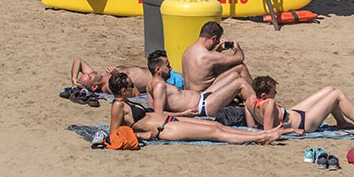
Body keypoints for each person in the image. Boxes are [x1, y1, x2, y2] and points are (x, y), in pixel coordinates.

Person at [104, 73, 278, 145]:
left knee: (216, 127)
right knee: (214, 133)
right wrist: (141, 135)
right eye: (130, 85)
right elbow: (114, 135)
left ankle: (260, 136)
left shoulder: (127, 102)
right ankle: (262, 136)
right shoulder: (118, 105)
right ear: (122, 90)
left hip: (170, 121)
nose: (133, 86)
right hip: (165, 129)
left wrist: (181, 114)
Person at [245, 75, 354, 135]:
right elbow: (268, 132)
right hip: (305, 123)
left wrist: (259, 122)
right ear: (263, 95)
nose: (276, 93)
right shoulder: (269, 103)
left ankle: (341, 122)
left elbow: (251, 125)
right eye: (273, 92)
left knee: (329, 89)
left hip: (294, 112)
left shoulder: (249, 101)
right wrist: (292, 130)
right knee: (337, 94)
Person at [144, 49, 245, 119]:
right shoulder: (159, 86)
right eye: (168, 66)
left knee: (234, 75)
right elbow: (158, 113)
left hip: (203, 97)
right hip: (203, 106)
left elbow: (151, 109)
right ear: (158, 70)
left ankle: (251, 103)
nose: (171, 68)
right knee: (239, 83)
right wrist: (183, 114)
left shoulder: (150, 85)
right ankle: (256, 107)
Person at [180, 21, 254, 95]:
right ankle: (257, 96)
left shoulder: (188, 50)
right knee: (241, 67)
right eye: (217, 40)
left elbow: (205, 67)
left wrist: (218, 51)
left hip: (189, 93)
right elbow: (239, 58)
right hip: (202, 95)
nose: (217, 42)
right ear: (214, 38)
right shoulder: (208, 55)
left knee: (224, 70)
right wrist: (237, 48)